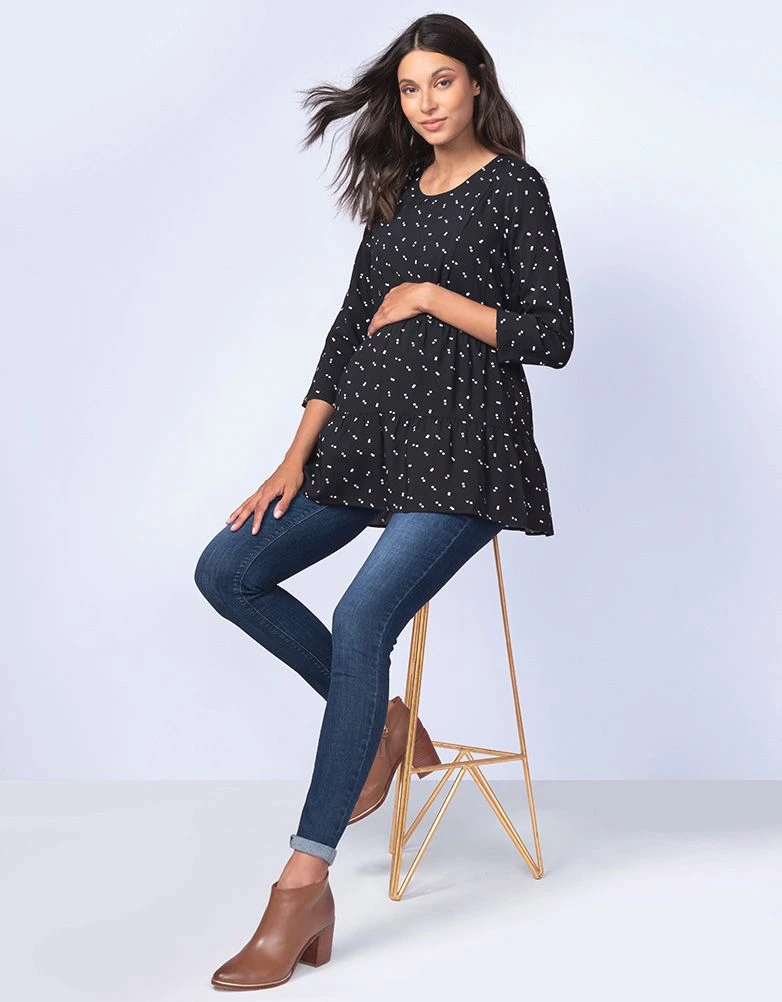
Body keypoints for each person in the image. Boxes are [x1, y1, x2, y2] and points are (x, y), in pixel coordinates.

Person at [194, 12, 574, 991]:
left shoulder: (514, 188)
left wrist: (431, 297)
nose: (425, 102)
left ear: (476, 82)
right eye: (410, 88)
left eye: (441, 81)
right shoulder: (398, 194)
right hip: (366, 448)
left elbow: (551, 334)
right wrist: (290, 460)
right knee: (228, 569)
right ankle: (387, 724)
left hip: (465, 456)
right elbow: (343, 334)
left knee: (363, 617)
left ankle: (301, 885)